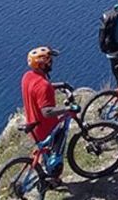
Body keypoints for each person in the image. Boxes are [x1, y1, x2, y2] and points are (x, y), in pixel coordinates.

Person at [22, 46, 80, 186]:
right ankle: (53, 179)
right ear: (41, 64)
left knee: (46, 152)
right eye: (48, 61)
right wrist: (67, 108)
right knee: (57, 155)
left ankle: (45, 175)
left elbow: (38, 88)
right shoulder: (43, 85)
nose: (51, 63)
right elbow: (47, 112)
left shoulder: (28, 76)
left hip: (33, 123)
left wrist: (60, 85)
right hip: (45, 128)